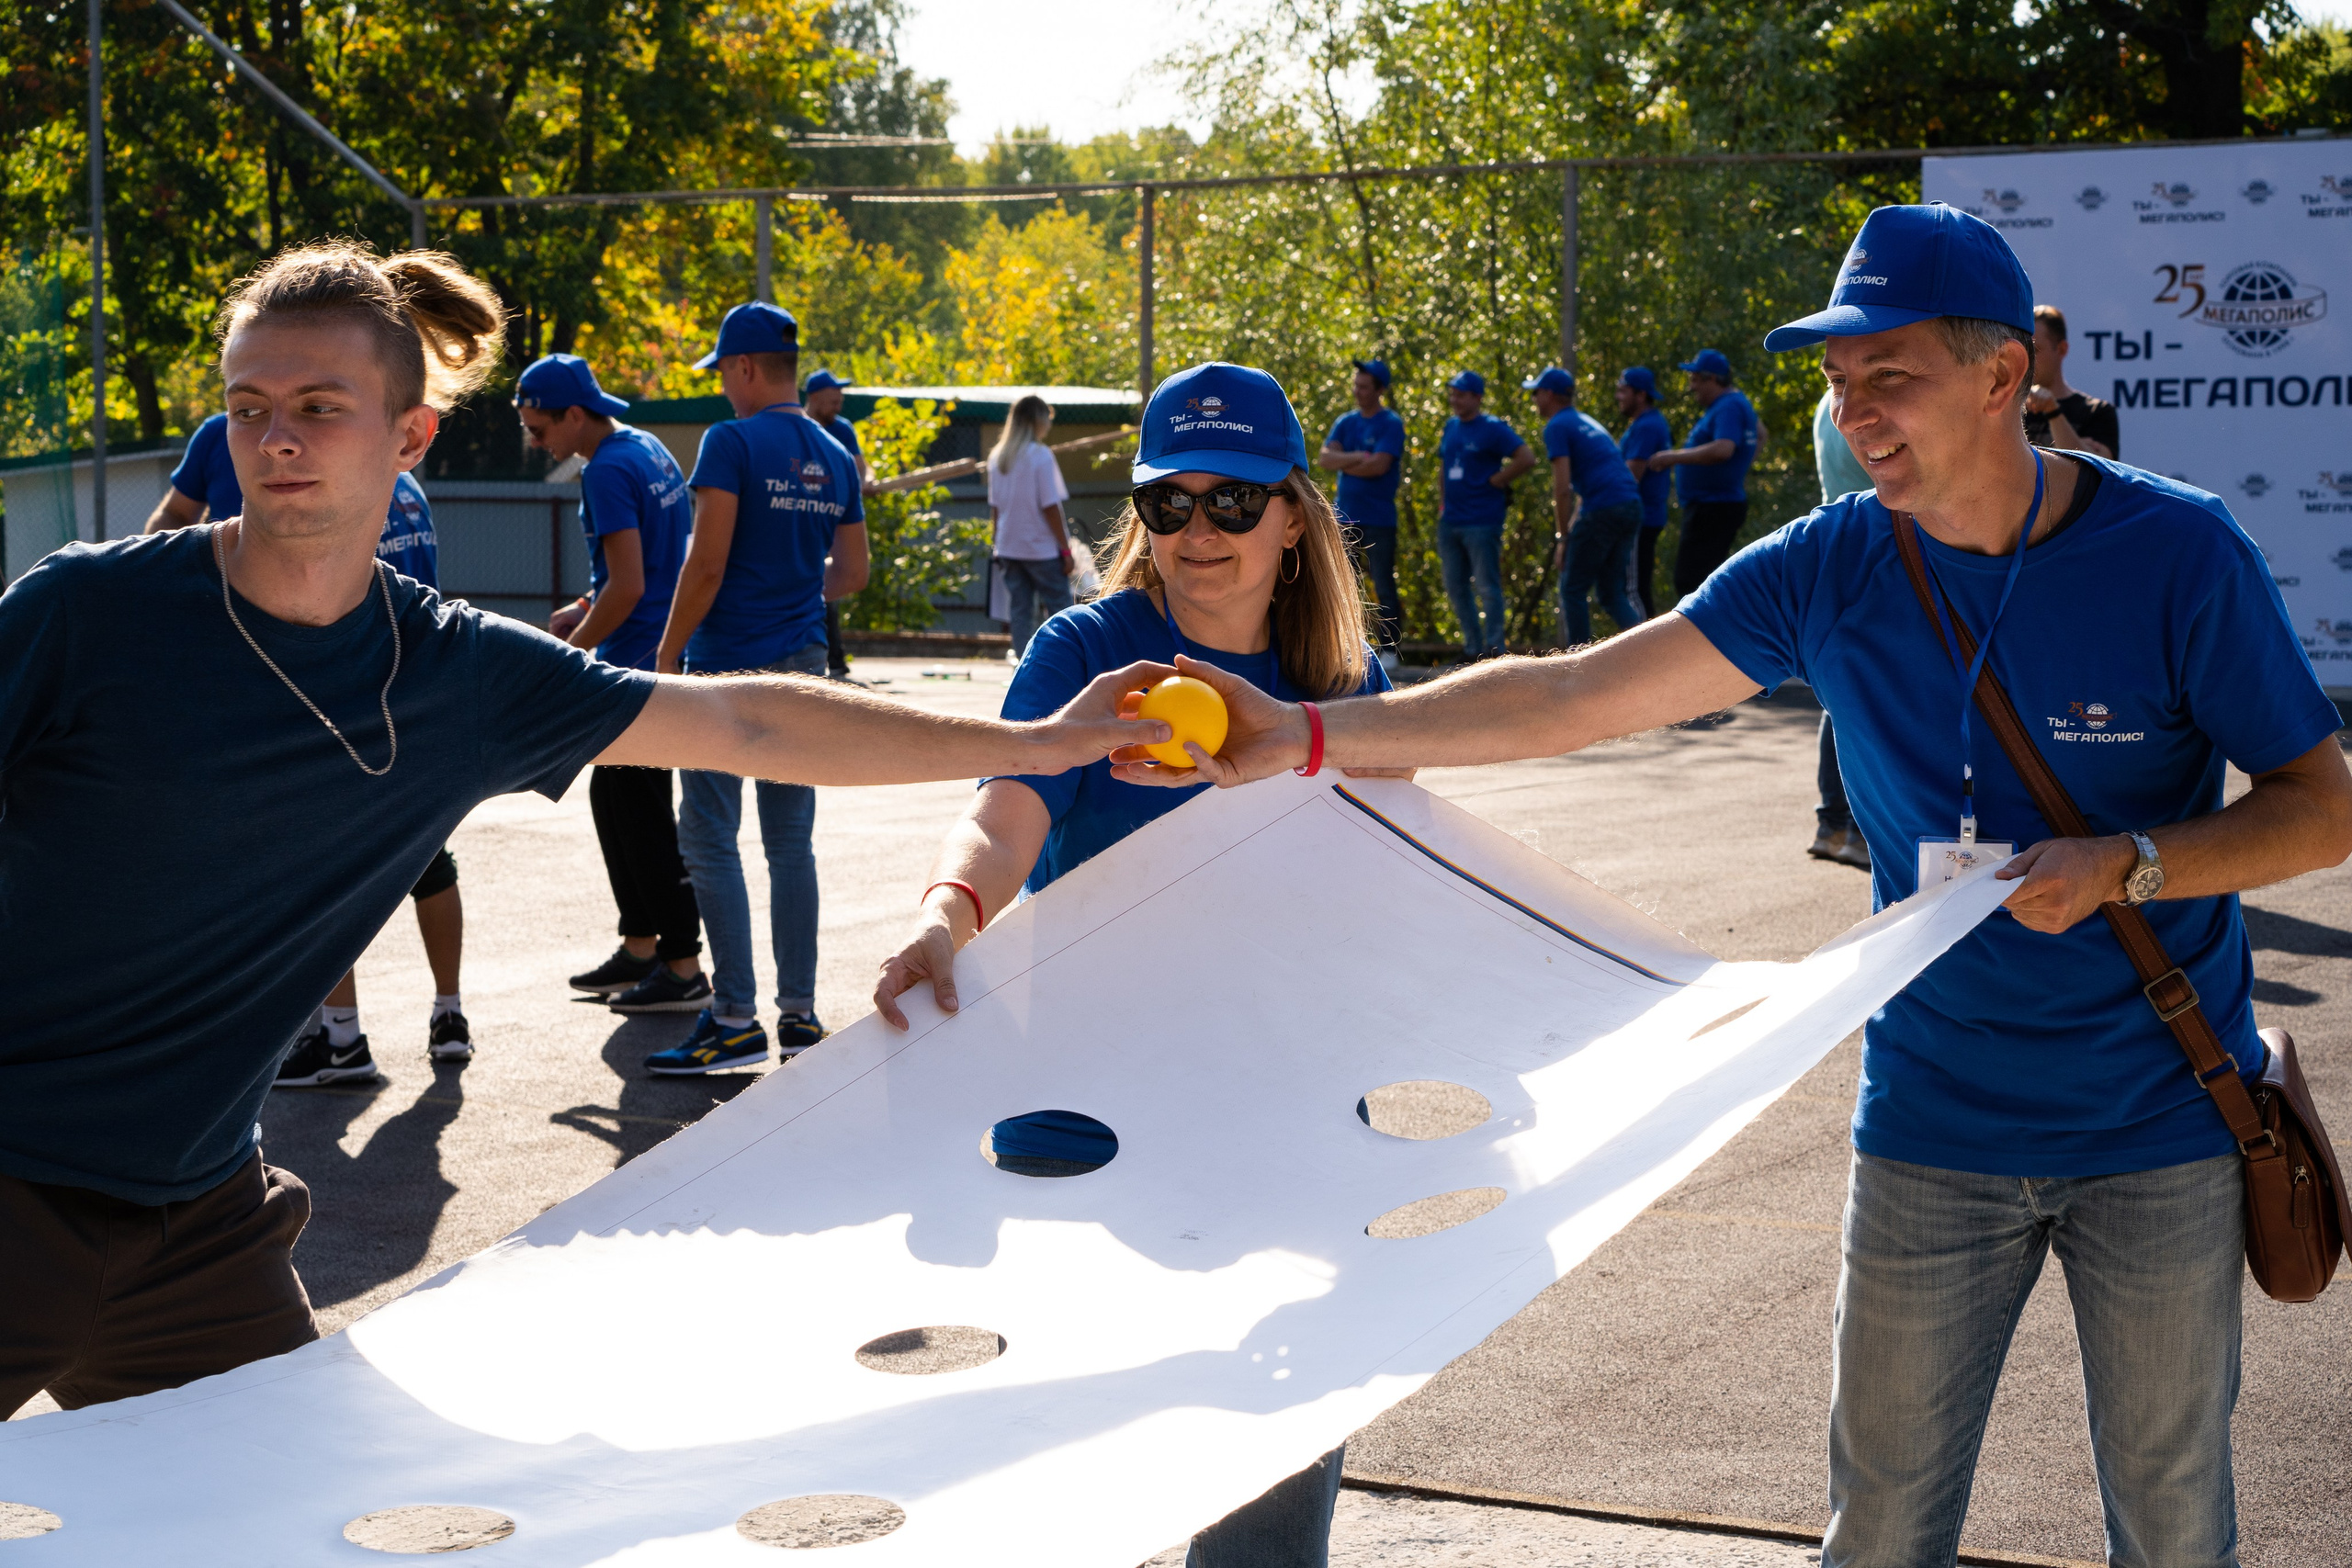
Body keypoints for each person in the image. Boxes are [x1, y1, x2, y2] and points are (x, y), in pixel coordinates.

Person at [1123, 204, 2352, 1568]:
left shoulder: (2181, 552)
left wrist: (2134, 860)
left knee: (2177, 1527)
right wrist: (1296, 732)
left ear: (2005, 376)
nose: (1858, 414)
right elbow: (1575, 696)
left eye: (1893, 377)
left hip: (2162, 1125)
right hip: (1932, 1125)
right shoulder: (1833, 559)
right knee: (1878, 1530)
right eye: (1839, 383)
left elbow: (2322, 809)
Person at [0, 241, 1163, 1419]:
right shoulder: (87, 613)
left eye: (318, 408)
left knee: (287, 1519)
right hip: (15, 1178)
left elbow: (747, 724)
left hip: (194, 1226)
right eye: (249, 410)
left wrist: (1029, 746)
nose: (276, 439)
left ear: (411, 440)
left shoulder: (454, 673)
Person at [874, 359, 1394, 1568]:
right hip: (1094, 1118)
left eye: (1233, 499)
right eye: (1170, 503)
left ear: (1293, 519)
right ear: (1141, 521)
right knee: (1078, 1474)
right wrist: (950, 910)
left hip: (1289, 1125)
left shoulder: (1345, 683)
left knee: (1267, 1482)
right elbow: (1008, 812)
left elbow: (1394, 866)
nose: (1199, 530)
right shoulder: (1087, 650)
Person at [147, 402, 473, 1078]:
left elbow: (170, 526)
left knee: (314, 868)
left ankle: (341, 1037)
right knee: (428, 860)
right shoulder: (394, 465)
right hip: (409, 690)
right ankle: (449, 1012)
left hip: (321, 690)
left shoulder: (244, 445)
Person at [645, 301, 871, 1076]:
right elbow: (854, 572)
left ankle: (734, 1017)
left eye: (723, 375)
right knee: (789, 841)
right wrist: (796, 592)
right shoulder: (835, 449)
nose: (723, 391)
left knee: (709, 834)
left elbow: (704, 564)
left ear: (744, 368)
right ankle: (799, 1015)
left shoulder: (730, 442)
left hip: (724, 667)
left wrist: (667, 652)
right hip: (802, 662)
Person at [520, 353, 708, 1016]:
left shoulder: (604, 472)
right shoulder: (647, 447)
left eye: (539, 431)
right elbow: (649, 563)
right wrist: (586, 602)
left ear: (574, 415)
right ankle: (641, 944)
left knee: (642, 810)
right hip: (650, 650)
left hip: (634, 660)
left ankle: (682, 963)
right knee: (614, 794)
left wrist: (569, 654)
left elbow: (628, 587)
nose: (536, 443)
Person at [1805, 388, 1874, 873]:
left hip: (1836, 547)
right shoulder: (1873, 410)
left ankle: (1832, 825)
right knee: (1867, 697)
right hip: (1873, 547)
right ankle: (1852, 830)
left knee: (1841, 696)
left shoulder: (1827, 406)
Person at [1524, 367, 1644, 647]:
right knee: (1612, 593)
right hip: (1629, 506)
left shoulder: (1556, 426)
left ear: (1550, 394)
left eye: (1536, 393)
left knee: (1572, 589)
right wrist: (1571, 530)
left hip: (1604, 508)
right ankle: (1651, 655)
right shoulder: (1587, 421)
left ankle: (1577, 666)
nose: (1534, 399)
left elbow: (1563, 488)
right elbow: (1585, 490)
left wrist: (1563, 537)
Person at [1434, 370, 1533, 660]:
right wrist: (1442, 504)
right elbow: (1444, 467)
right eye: (1453, 393)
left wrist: (1499, 480)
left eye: (1461, 394)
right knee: (1455, 585)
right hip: (1451, 520)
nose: (1455, 399)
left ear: (1477, 397)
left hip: (1482, 520)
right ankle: (1472, 648)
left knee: (1487, 586)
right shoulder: (1451, 426)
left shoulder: (1492, 428)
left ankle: (1494, 650)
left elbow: (1526, 457)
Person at [1644, 348, 1760, 597]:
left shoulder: (1728, 405)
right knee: (1701, 582)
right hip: (1714, 505)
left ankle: (1709, 636)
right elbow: (1760, 433)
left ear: (1713, 379)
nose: (1691, 386)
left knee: (1691, 584)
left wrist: (1672, 457)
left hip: (1713, 508)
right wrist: (1738, 469)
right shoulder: (1734, 402)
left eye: (1695, 379)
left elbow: (1724, 449)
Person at [1316, 356, 1407, 668]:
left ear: (1379, 390)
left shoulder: (1391, 424)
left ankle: (1390, 649)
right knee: (1346, 582)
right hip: (1345, 517)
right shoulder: (1346, 421)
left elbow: (1378, 466)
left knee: (1382, 584)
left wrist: (1347, 460)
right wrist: (1358, 456)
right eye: (1356, 385)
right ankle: (1350, 645)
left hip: (1379, 519)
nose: (1358, 391)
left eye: (1365, 387)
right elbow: (1325, 459)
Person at [988, 394, 1075, 660]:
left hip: (1009, 547)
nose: (1049, 422)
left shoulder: (998, 457)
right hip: (1040, 548)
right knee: (1060, 607)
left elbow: (995, 507)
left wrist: (996, 544)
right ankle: (1065, 658)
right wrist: (1066, 549)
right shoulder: (1040, 455)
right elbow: (1050, 507)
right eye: (1046, 417)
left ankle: (1024, 664)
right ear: (1036, 419)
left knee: (1020, 610)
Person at [803, 368, 875, 679]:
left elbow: (862, 468)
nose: (839, 403)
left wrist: (867, 482)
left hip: (838, 518)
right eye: (833, 399)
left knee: (832, 586)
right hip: (805, 516)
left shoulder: (842, 429)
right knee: (817, 587)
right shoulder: (801, 429)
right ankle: (831, 659)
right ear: (815, 397)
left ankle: (834, 660)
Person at [1613, 367, 1675, 620]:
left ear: (1640, 395)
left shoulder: (1647, 426)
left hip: (1641, 519)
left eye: (1623, 390)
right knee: (1635, 587)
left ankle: (1644, 653)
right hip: (1644, 517)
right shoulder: (1645, 424)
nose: (1618, 396)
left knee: (1633, 590)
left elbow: (1631, 477)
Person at [2025, 305, 2119, 459]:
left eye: (2035, 350)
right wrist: (2076, 447)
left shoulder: (2097, 412)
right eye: (2023, 350)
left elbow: (2094, 473)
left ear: (2061, 349)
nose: (2027, 358)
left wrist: (2052, 411)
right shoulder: (2011, 410)